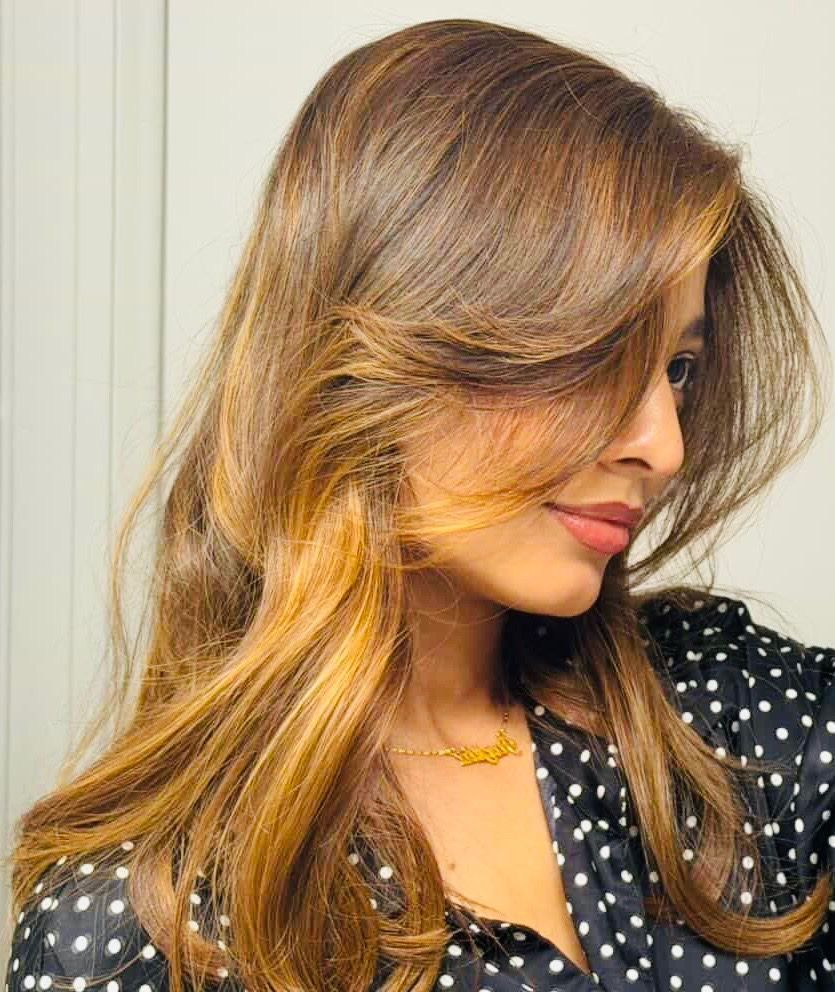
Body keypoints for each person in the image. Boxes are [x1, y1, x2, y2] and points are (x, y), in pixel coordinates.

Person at [3, 16, 834, 992]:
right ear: (369, 358)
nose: (663, 444)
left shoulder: (736, 720)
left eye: (677, 366)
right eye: (595, 355)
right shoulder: (148, 924)